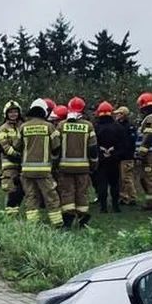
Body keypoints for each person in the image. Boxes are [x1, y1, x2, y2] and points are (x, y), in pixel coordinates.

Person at [18, 99, 63, 227]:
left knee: (31, 196)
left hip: (27, 170)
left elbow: (17, 146)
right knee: (51, 196)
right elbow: (57, 146)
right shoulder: (49, 127)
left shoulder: (23, 127)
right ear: (44, 112)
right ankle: (57, 223)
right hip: (44, 170)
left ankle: (32, 223)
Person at [57, 97, 98, 228]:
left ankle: (68, 217)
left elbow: (56, 147)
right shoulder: (88, 126)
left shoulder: (61, 125)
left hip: (65, 167)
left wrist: (55, 164)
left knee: (67, 192)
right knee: (82, 192)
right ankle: (83, 216)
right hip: (83, 167)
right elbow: (93, 148)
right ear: (83, 110)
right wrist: (94, 164)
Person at [91, 101, 125, 213]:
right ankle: (115, 206)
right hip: (114, 160)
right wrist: (114, 152)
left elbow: (92, 144)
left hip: (100, 160)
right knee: (114, 183)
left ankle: (103, 207)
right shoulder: (118, 127)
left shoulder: (95, 127)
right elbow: (123, 144)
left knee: (102, 183)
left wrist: (100, 153)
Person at [0, 99, 25, 217]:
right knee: (11, 190)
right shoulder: (3, 129)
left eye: (15, 112)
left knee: (22, 190)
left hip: (23, 164)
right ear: (6, 114)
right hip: (10, 165)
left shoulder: (22, 126)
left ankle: (15, 213)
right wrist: (17, 155)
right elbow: (4, 147)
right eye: (10, 112)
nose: (13, 114)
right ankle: (10, 216)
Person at [134, 92, 152, 210]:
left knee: (149, 177)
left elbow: (148, 137)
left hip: (150, 155)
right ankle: (150, 201)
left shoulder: (151, 118)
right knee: (144, 177)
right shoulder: (150, 118)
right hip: (148, 154)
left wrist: (141, 153)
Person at [113, 106, 138, 206]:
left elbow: (131, 142)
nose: (116, 115)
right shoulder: (118, 125)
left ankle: (132, 197)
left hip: (127, 157)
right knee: (120, 179)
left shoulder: (129, 126)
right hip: (119, 157)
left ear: (123, 115)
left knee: (126, 178)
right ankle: (123, 197)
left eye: (118, 114)